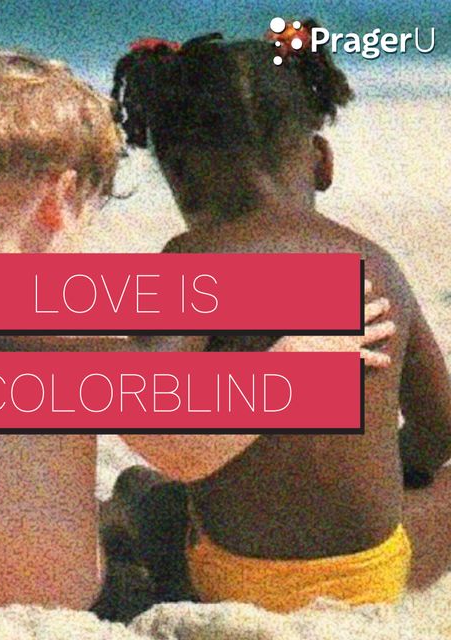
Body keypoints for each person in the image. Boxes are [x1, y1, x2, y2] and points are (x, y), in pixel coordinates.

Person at [0, 48, 393, 611]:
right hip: (67, 607)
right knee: (132, 507)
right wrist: (294, 362)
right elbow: (184, 454)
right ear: (62, 198)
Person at [108, 23, 451, 613]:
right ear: (320, 159)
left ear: (179, 175)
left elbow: (146, 401)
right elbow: (439, 430)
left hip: (235, 581)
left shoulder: (193, 261)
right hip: (373, 577)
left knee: (139, 491)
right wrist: (386, 471)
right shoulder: (374, 263)